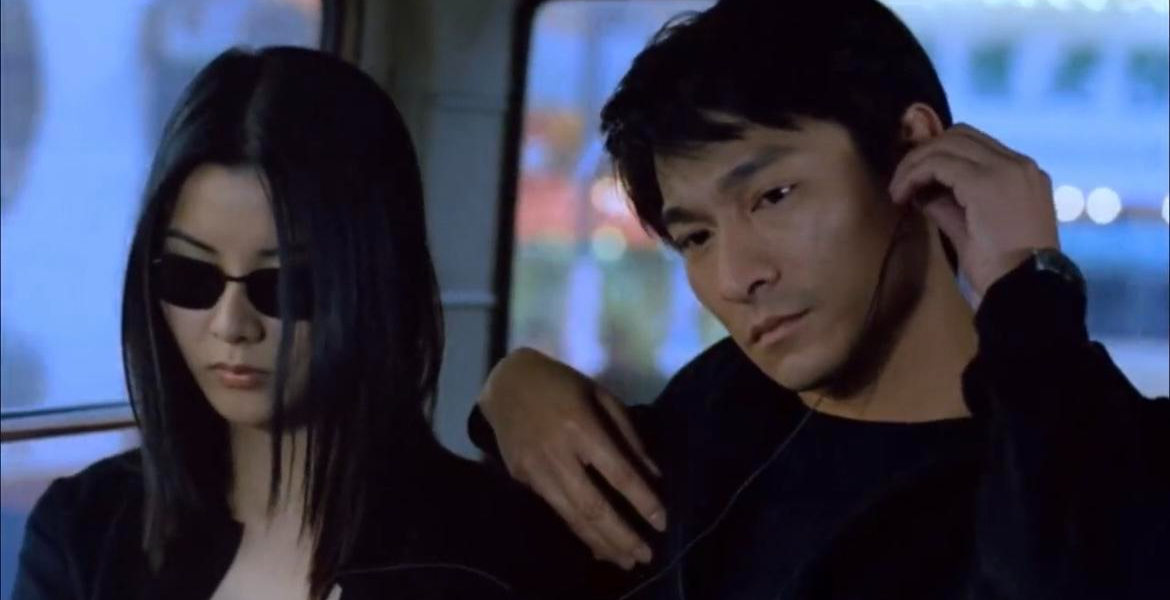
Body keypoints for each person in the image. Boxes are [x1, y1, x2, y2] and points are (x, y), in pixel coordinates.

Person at [470, 1, 1170, 598]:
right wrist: (509, 394)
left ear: (912, 149)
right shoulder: (708, 419)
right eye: (697, 237)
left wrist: (1028, 286)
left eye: (774, 196)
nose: (737, 276)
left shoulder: (1096, 448)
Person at [13, 46, 604, 600]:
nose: (231, 325)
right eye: (192, 277)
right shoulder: (85, 531)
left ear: (375, 279)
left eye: (285, 286)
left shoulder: (498, 552)